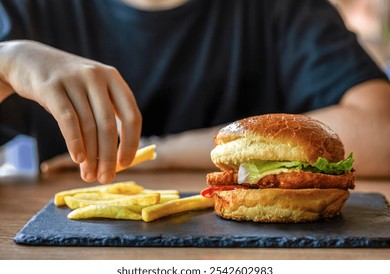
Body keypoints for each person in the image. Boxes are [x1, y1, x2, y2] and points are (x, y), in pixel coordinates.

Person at [0, 0, 389, 184]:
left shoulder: (284, 9)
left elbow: (380, 130)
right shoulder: (26, 9)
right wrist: (7, 64)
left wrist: (159, 152)